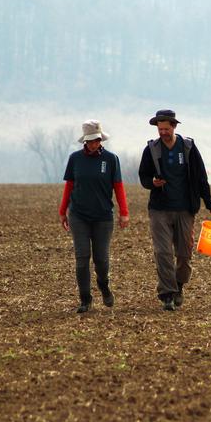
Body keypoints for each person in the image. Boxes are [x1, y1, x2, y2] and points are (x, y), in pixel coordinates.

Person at [138, 109, 211, 311]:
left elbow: (201, 178)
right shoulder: (151, 150)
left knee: (184, 253)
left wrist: (209, 203)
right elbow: (143, 177)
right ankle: (167, 294)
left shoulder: (188, 147)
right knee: (163, 252)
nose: (162, 132)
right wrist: (153, 182)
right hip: (159, 209)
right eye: (160, 128)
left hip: (185, 209)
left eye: (166, 128)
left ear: (174, 126)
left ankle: (179, 286)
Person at [59, 120, 130, 313]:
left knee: (101, 259)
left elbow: (118, 187)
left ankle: (104, 285)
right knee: (82, 257)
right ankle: (85, 299)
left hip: (103, 217)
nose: (94, 144)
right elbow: (69, 186)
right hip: (78, 215)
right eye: (91, 141)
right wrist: (62, 211)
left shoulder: (111, 159)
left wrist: (124, 213)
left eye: (97, 140)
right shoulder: (75, 159)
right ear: (85, 141)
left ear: (101, 139)